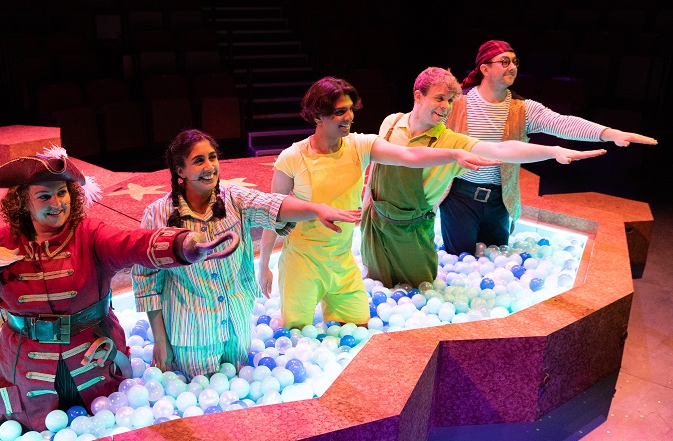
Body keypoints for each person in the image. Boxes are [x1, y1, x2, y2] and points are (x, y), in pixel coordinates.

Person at [0, 146, 237, 431]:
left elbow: (131, 243)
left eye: (62, 193)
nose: (57, 204)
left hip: (92, 360)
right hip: (26, 371)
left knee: (105, 424)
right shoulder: (4, 241)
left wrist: (183, 245)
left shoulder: (89, 234)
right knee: (33, 432)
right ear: (23, 203)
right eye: (44, 196)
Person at [258, 76, 504, 330]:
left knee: (358, 327)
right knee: (296, 333)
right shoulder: (292, 157)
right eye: (340, 112)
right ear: (317, 116)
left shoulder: (360, 145)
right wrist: (264, 265)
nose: (349, 117)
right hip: (302, 264)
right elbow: (272, 214)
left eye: (350, 109)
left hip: (341, 263)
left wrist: (453, 153)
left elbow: (408, 154)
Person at [131, 129, 361, 380]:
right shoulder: (157, 215)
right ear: (180, 171)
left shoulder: (234, 199)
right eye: (199, 161)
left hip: (236, 328)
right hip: (192, 335)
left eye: (212, 157)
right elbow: (147, 281)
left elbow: (274, 205)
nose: (209, 167)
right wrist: (160, 340)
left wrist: (316, 209)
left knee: (238, 388)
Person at [361, 67, 607, 289]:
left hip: (413, 230)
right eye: (439, 98)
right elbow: (375, 170)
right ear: (418, 96)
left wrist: (552, 151)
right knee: (376, 282)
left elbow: (501, 149)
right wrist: (364, 211)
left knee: (418, 288)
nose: (446, 106)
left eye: (450, 100)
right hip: (376, 223)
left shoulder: (450, 140)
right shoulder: (391, 123)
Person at [442, 39, 658, 256]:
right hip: (460, 196)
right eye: (505, 61)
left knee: (495, 257)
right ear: (484, 68)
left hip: (499, 200)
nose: (513, 67)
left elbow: (562, 123)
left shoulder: (523, 108)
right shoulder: (457, 103)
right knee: (458, 259)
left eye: (515, 62)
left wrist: (609, 133)